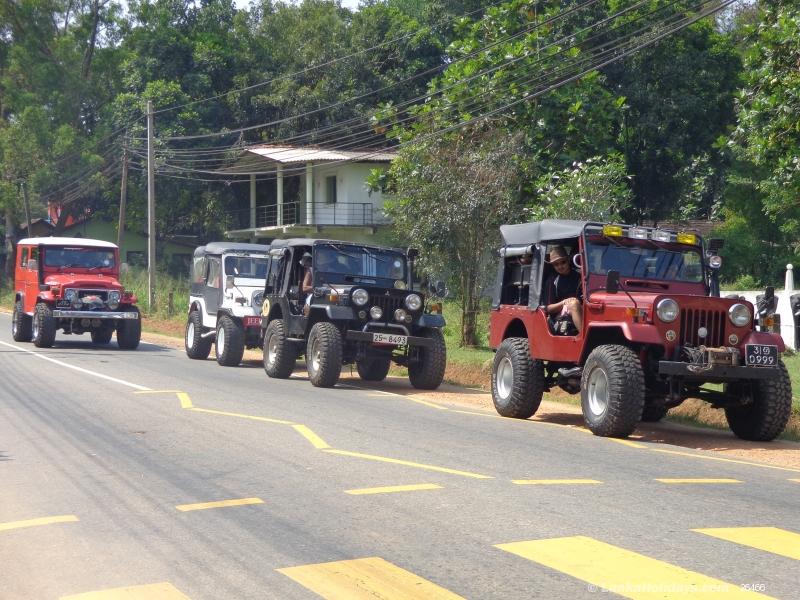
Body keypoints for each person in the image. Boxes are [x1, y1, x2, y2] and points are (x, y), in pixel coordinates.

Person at [544, 245, 582, 332]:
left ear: (568, 260)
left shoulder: (580, 277)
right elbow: (548, 308)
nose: (560, 266)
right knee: (574, 304)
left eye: (563, 262)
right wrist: (564, 302)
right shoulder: (552, 280)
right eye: (556, 264)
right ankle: (584, 337)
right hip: (560, 319)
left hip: (582, 310)